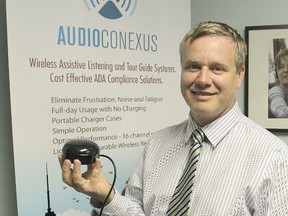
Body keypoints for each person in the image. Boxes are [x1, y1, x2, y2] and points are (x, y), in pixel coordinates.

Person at [59, 21, 288, 215]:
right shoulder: (157, 143)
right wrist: (105, 194)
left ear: (239, 75)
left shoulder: (273, 158)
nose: (203, 79)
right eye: (193, 66)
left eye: (217, 68)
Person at [268, 48, 288, 118]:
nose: (286, 70)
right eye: (281, 67)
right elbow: (282, 113)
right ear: (277, 71)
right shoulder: (276, 90)